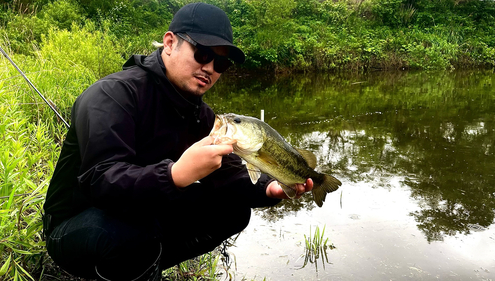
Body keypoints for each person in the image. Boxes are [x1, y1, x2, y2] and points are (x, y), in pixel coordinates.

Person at [43, 2, 313, 280]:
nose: (209, 68)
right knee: (130, 234)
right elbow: (100, 182)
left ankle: (145, 267)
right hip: (77, 223)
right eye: (203, 53)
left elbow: (228, 173)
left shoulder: (198, 114)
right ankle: (131, 264)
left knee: (233, 211)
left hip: (142, 213)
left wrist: (270, 190)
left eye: (220, 63)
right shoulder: (111, 96)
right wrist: (175, 175)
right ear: (169, 43)